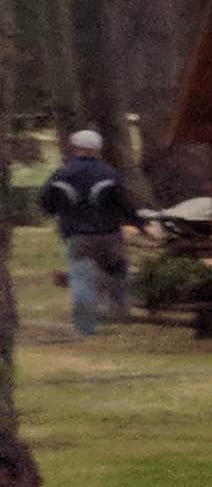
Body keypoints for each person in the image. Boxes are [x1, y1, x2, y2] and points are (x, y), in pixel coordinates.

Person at [39, 128, 141, 338]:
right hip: (110, 234)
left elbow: (46, 202)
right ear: (98, 149)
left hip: (78, 236)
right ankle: (119, 313)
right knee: (117, 273)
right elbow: (124, 202)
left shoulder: (62, 174)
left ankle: (85, 327)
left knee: (82, 278)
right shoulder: (109, 174)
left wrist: (60, 211)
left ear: (75, 148)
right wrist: (138, 222)